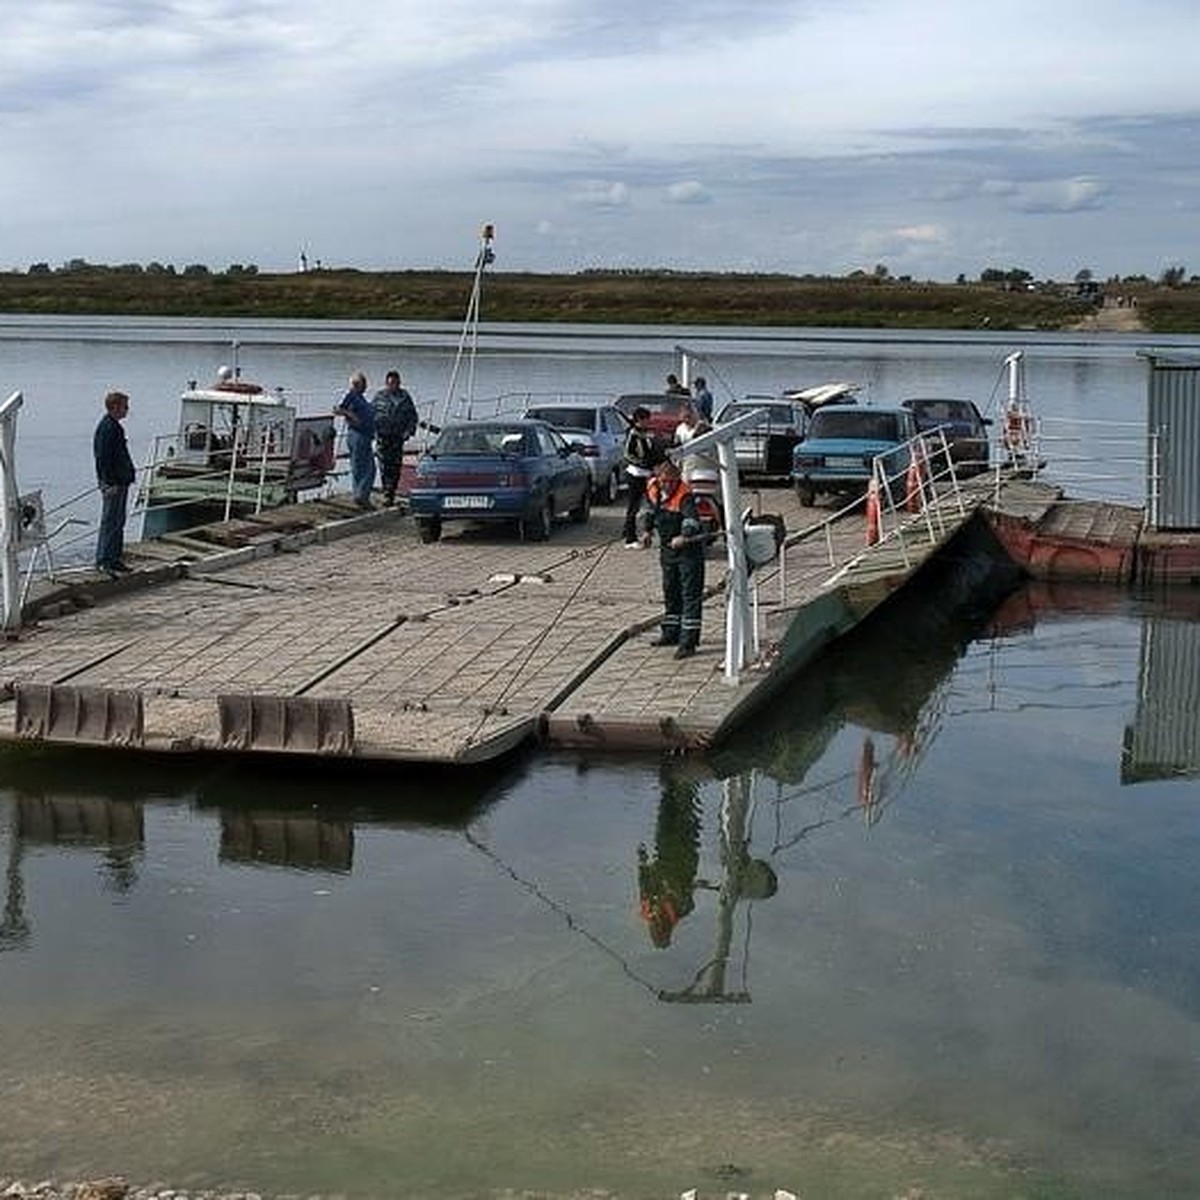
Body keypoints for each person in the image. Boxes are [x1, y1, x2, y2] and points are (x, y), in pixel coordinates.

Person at [639, 457, 705, 658]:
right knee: (670, 590)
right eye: (664, 481)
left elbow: (692, 519)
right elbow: (647, 512)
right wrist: (646, 531)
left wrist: (684, 536)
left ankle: (688, 642)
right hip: (667, 551)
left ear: (677, 480)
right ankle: (670, 632)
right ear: (658, 479)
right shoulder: (653, 489)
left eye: (671, 481)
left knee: (690, 595)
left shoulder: (684, 495)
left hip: (688, 552)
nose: (667, 485)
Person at [93, 389, 136, 578]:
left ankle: (114, 557)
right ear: (115, 407)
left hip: (121, 480)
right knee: (110, 520)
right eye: (125, 406)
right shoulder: (107, 427)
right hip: (113, 482)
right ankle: (104, 559)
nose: (127, 410)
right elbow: (102, 457)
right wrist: (107, 482)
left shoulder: (115, 427)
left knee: (118, 520)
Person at [371, 369, 419, 506]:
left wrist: (409, 432)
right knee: (384, 465)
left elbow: (413, 417)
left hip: (398, 437)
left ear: (399, 383)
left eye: (395, 383)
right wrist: (373, 431)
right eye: (390, 383)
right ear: (386, 383)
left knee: (396, 466)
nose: (393, 385)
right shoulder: (379, 396)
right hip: (382, 436)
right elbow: (371, 414)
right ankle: (387, 493)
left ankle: (391, 492)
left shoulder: (405, 397)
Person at [334, 371, 376, 509]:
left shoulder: (359, 397)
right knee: (366, 468)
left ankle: (360, 495)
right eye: (364, 383)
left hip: (364, 436)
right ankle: (361, 496)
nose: (366, 386)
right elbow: (339, 409)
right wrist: (352, 416)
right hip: (358, 435)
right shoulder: (352, 395)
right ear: (358, 384)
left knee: (362, 466)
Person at [621, 406, 660, 547]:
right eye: (646, 420)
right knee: (634, 506)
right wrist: (643, 463)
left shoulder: (646, 433)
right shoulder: (632, 434)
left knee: (653, 504)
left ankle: (648, 532)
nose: (648, 423)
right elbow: (628, 454)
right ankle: (630, 538)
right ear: (639, 420)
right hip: (635, 474)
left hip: (648, 475)